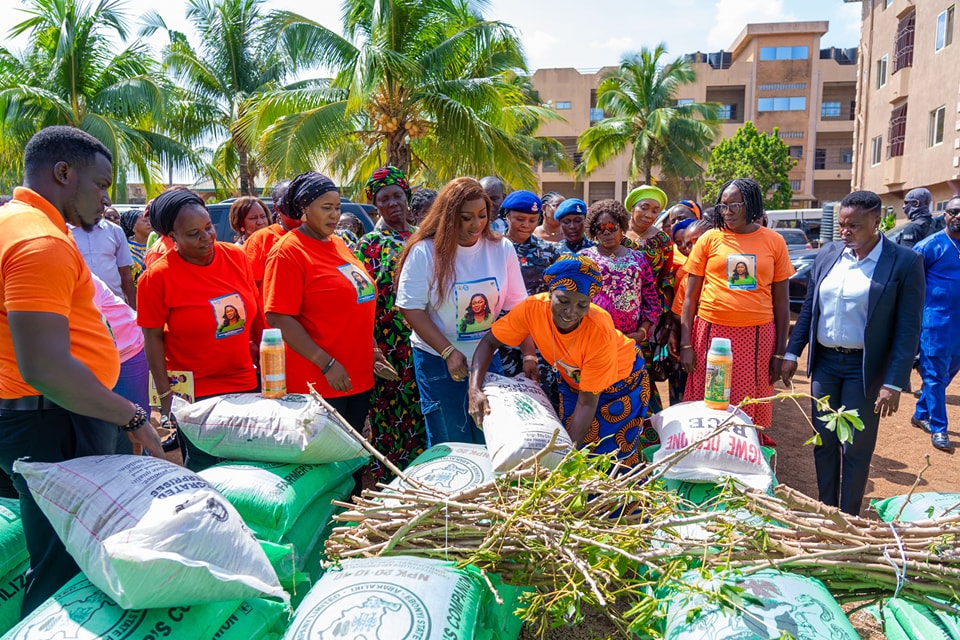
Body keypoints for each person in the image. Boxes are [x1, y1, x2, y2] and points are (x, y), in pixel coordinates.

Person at [0, 126, 161, 616]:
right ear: (63, 173)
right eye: (101, 183)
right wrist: (131, 416)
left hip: (45, 415)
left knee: (56, 550)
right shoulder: (39, 241)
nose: (106, 199)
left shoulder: (12, 220)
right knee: (64, 565)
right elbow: (46, 366)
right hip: (55, 420)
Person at [782, 190, 924, 515]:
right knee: (824, 441)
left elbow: (908, 330)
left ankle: (849, 517)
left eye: (854, 226)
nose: (845, 231)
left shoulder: (903, 262)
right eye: (842, 224)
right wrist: (793, 353)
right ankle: (827, 511)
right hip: (826, 365)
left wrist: (894, 382)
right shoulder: (828, 254)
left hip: (865, 369)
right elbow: (809, 310)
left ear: (876, 222)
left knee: (856, 446)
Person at [468, 255, 655, 467]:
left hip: (621, 384)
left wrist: (561, 463)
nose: (570, 312)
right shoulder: (532, 309)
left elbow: (586, 403)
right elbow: (489, 342)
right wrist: (474, 389)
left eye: (582, 305)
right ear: (550, 294)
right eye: (563, 301)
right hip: (574, 380)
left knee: (608, 458)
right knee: (567, 438)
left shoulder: (598, 329)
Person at [137, 189, 262, 471]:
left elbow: (254, 312)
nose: (207, 237)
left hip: (243, 383)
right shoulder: (156, 278)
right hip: (194, 394)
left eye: (208, 227)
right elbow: (152, 337)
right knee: (206, 468)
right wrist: (165, 395)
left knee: (248, 465)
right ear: (172, 237)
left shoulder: (236, 257)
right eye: (194, 234)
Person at [396, 176, 527, 446]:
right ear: (449, 216)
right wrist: (447, 351)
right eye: (466, 217)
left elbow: (520, 308)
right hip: (437, 359)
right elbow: (410, 308)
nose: (476, 224)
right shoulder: (424, 252)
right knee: (451, 442)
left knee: (489, 438)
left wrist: (529, 356)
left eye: (482, 215)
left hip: (487, 358)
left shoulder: (502, 248)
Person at [264, 172, 393, 435]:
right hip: (321, 380)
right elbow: (278, 317)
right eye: (326, 208)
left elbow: (358, 298)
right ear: (304, 209)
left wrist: (373, 349)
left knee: (352, 461)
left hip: (358, 376)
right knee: (329, 465)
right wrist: (326, 363)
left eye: (337, 208)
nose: (335, 215)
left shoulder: (337, 243)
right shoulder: (288, 251)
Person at [680, 178, 794, 429]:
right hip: (711, 332)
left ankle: (746, 454)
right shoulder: (709, 239)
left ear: (751, 204)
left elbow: (782, 303)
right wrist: (686, 344)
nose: (727, 212)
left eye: (734, 205)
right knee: (709, 398)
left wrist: (779, 352)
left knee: (751, 400)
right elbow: (690, 298)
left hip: (758, 336)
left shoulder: (774, 242)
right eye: (723, 206)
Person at [355, 166, 425, 481]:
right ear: (376, 205)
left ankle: (424, 482)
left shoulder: (426, 237)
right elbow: (360, 299)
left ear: (407, 198)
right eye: (385, 198)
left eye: (398, 195)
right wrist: (369, 347)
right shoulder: (367, 245)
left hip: (424, 343)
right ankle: (390, 485)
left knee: (424, 415)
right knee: (388, 419)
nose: (393, 203)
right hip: (386, 352)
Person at [581, 199, 661, 411]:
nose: (606, 232)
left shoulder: (638, 259)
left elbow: (651, 300)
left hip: (630, 341)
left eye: (611, 227)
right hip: (595, 342)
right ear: (593, 231)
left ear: (621, 226)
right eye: (601, 228)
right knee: (599, 398)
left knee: (634, 398)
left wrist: (642, 332)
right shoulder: (584, 260)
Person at [910, 195, 960, 451]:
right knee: (934, 376)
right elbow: (911, 285)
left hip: (958, 328)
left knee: (948, 373)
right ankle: (938, 427)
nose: (958, 216)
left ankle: (920, 413)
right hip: (935, 324)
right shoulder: (930, 246)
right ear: (945, 215)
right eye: (953, 211)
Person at [665, 218, 710, 405]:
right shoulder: (685, 276)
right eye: (684, 243)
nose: (690, 248)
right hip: (693, 345)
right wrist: (679, 337)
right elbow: (678, 312)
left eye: (696, 242)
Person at [69, 204, 136, 307]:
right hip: (79, 306)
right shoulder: (65, 232)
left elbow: (125, 273)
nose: (106, 201)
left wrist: (133, 308)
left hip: (113, 304)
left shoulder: (115, 231)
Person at [244, 180, 298, 294]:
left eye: (299, 199)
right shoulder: (260, 240)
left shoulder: (321, 236)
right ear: (277, 208)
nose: (296, 206)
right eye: (289, 201)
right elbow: (248, 289)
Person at [119, 207, 150, 285]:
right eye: (144, 221)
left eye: (150, 220)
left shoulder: (156, 245)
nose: (149, 223)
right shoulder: (124, 247)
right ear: (134, 226)